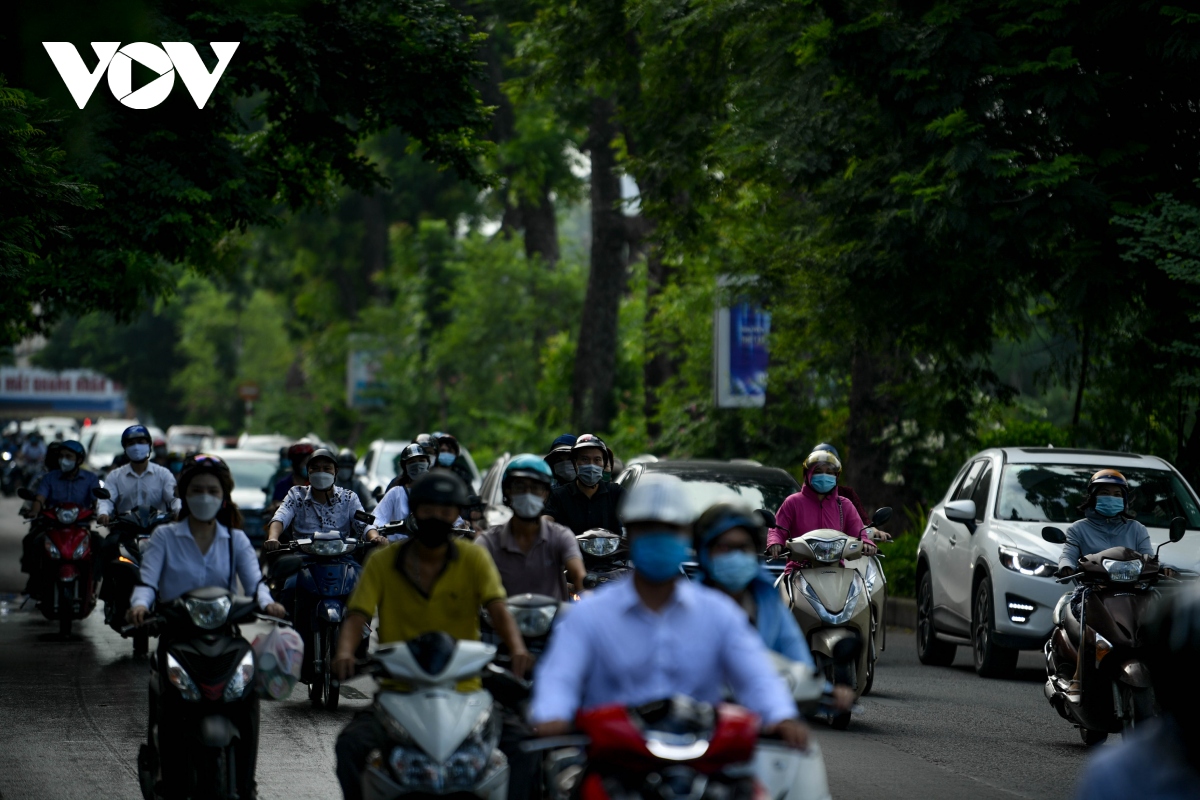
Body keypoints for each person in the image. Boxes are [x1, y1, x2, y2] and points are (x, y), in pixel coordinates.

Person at [530, 474, 809, 748]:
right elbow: (559, 676)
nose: (659, 538)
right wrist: (552, 714)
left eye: (670, 529)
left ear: (686, 536)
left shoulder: (718, 614)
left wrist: (780, 715)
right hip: (614, 761)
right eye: (649, 528)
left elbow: (756, 675)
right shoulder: (590, 615)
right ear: (630, 534)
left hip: (701, 765)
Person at [332, 471, 535, 800]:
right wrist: (344, 653)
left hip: (467, 689)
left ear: (456, 513)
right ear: (414, 510)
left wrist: (517, 649)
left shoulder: (474, 557)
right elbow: (357, 614)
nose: (438, 517)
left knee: (525, 749)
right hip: (399, 691)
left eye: (446, 510)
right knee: (350, 747)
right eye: (429, 509)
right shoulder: (383, 561)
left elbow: (498, 608)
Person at [125, 454, 285, 800]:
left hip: (226, 639)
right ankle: (165, 775)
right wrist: (139, 606)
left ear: (224, 496)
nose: (205, 496)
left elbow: (255, 583)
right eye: (197, 489)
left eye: (212, 490)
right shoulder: (164, 537)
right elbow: (148, 583)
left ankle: (248, 782)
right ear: (185, 493)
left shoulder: (236, 540)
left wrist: (268, 602)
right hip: (177, 638)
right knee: (167, 705)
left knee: (248, 698)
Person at [694, 502, 855, 712]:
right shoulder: (687, 606)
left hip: (764, 723)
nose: (736, 556)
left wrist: (828, 693)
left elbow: (799, 665)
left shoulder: (768, 605)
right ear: (706, 553)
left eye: (743, 548)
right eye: (725, 548)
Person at [1073, 583, 1200, 799]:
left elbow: (1147, 555)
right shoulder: (1116, 776)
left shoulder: (1113, 771)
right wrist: (1069, 566)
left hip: (1130, 593)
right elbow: (1069, 555)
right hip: (1093, 591)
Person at [478, 454, 587, 600]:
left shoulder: (560, 536)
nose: (527, 494)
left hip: (553, 620)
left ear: (546, 494)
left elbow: (579, 576)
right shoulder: (489, 541)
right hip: (501, 619)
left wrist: (587, 597)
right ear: (508, 492)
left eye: (535, 488)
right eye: (519, 487)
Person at [766, 449, 878, 565]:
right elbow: (777, 529)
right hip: (799, 570)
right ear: (807, 475)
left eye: (829, 472)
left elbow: (859, 533)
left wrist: (866, 542)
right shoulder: (793, 502)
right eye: (818, 471)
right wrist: (775, 543)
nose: (824, 476)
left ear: (836, 476)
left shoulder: (845, 505)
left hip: (836, 570)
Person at [20, 439, 101, 595]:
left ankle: (93, 582)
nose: (64, 460)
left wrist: (102, 513)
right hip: (53, 527)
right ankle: (37, 582)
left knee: (100, 544)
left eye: (69, 456)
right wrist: (34, 511)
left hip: (81, 528)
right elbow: (39, 498)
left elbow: (97, 501)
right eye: (61, 456)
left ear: (79, 459)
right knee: (35, 542)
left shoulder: (90, 478)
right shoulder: (48, 478)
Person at [264, 448, 381, 550]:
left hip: (343, 559)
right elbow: (280, 517)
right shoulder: (296, 494)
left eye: (326, 468)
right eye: (315, 468)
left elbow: (365, 524)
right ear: (308, 472)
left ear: (335, 472)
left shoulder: (349, 497)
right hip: (303, 559)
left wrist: (375, 537)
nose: (321, 473)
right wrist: (273, 538)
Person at [1057, 469, 1152, 577]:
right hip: (1091, 588)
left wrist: (1167, 568)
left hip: (1133, 589)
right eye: (1105, 493)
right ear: (1093, 498)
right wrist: (1066, 567)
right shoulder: (1078, 529)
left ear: (1124, 499)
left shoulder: (1137, 529)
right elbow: (1068, 556)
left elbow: (1149, 559)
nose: (1111, 498)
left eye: (1117, 494)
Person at [97, 425, 180, 525]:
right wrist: (103, 513)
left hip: (158, 530)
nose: (136, 447)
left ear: (149, 445)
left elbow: (173, 498)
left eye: (141, 442)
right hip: (125, 531)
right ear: (125, 448)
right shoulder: (115, 476)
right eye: (131, 443)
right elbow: (107, 501)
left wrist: (178, 511)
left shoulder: (163, 474)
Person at [543, 434, 624, 536]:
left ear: (603, 464)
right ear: (575, 463)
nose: (591, 465)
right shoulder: (558, 496)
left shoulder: (616, 492)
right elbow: (544, 524)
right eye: (585, 459)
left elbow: (636, 517)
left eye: (597, 460)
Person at [371, 443, 433, 528]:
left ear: (428, 463)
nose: (418, 465)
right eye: (412, 462)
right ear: (404, 467)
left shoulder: (437, 491)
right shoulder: (396, 493)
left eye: (421, 460)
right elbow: (376, 519)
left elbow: (455, 522)